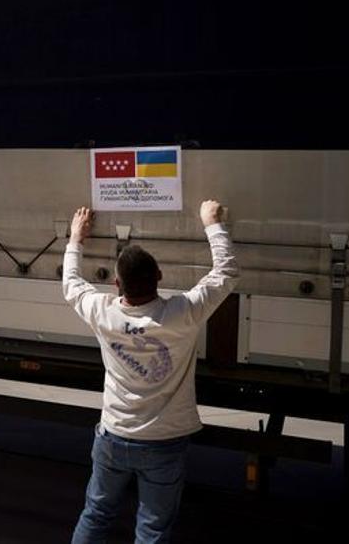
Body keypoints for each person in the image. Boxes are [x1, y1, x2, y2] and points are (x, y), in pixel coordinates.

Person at [64, 200, 238, 544]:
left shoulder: (103, 312)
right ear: (159, 276)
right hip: (164, 443)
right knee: (153, 529)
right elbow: (227, 273)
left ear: (116, 284)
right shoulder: (182, 313)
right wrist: (211, 223)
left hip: (113, 435)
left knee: (96, 515)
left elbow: (70, 283)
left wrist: (75, 238)